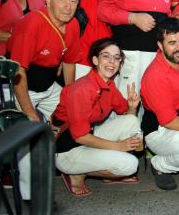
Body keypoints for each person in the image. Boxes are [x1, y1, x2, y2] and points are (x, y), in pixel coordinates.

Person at [7, 0, 82, 201]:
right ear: (48, 1)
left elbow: (69, 63)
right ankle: (31, 195)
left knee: (76, 111)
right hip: (22, 87)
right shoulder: (32, 23)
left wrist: (69, 95)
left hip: (49, 86)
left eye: (73, 1)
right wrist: (29, 112)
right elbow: (18, 71)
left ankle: (65, 165)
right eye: (62, 0)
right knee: (29, 132)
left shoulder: (74, 24)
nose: (68, 7)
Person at [53, 38, 141, 197]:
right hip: (67, 150)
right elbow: (79, 136)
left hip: (88, 137)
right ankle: (76, 173)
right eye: (106, 56)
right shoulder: (82, 89)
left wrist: (132, 107)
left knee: (132, 120)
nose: (111, 62)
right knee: (130, 165)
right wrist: (118, 146)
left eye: (116, 57)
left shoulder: (108, 84)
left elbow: (126, 117)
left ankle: (105, 172)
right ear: (95, 60)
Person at [141, 17, 179, 190]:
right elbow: (168, 120)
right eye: (172, 43)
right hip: (161, 131)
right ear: (160, 45)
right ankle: (160, 164)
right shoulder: (156, 74)